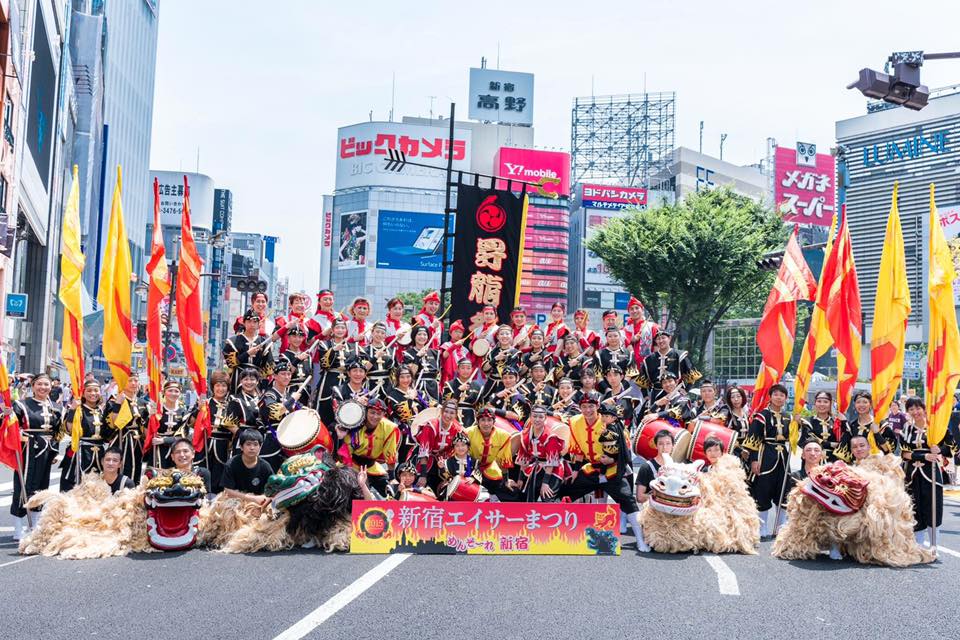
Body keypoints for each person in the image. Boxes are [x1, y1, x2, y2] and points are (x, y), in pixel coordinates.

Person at [563, 393, 648, 552]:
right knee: (565, 490)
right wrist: (575, 471)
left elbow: (624, 449)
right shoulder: (574, 422)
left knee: (628, 500)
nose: (588, 410)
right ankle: (561, 534)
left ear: (597, 408)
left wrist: (613, 460)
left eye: (591, 407)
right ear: (580, 408)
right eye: (584, 407)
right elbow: (578, 450)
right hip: (591, 469)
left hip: (612, 470)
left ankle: (640, 540)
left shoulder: (611, 423)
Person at [8, 373, 64, 539]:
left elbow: (58, 432)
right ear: (32, 386)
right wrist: (6, 414)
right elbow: (9, 426)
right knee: (23, 485)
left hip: (47, 450)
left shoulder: (57, 407)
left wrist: (55, 451)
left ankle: (35, 524)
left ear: (51, 387)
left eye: (46, 385)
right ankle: (18, 527)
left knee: (42, 485)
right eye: (39, 384)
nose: (43, 388)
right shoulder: (21, 404)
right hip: (27, 450)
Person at [899, 396, 957, 547]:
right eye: (911, 409)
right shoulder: (907, 428)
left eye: (918, 408)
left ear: (924, 409)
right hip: (912, 474)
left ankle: (933, 544)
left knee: (933, 507)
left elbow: (952, 448)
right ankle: (918, 544)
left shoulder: (936, 427)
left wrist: (940, 449)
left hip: (932, 473)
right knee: (915, 506)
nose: (915, 412)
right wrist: (924, 455)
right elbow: (904, 453)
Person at [744, 383, 790, 538]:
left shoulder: (788, 417)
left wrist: (798, 424)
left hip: (783, 456)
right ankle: (762, 527)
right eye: (776, 394)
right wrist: (754, 460)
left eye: (782, 395)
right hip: (765, 454)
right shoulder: (762, 416)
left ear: (786, 398)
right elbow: (753, 439)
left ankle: (780, 527)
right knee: (762, 489)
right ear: (770, 397)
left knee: (784, 490)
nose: (779, 397)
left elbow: (794, 437)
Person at [338, 398, 399, 497]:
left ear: (384, 414)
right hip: (352, 465)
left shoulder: (390, 428)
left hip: (372, 467)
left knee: (392, 493)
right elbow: (346, 452)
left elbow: (390, 453)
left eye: (379, 414)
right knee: (350, 492)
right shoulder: (354, 425)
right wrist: (349, 474)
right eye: (372, 412)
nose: (375, 416)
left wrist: (392, 478)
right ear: (366, 412)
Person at [59, 379, 107, 492]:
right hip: (80, 452)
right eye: (89, 390)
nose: (93, 393)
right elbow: (69, 429)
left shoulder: (101, 410)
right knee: (76, 483)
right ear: (83, 393)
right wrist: (73, 410)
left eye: (96, 390)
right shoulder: (78, 409)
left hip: (99, 452)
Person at [515, 405, 567, 501]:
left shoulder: (550, 437)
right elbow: (524, 457)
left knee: (547, 497)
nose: (537, 420)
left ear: (545, 418)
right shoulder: (525, 434)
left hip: (553, 469)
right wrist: (520, 479)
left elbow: (551, 462)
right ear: (530, 417)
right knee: (527, 497)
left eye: (540, 417)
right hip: (536, 467)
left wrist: (545, 483)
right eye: (534, 416)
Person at [464, 406, 516, 502]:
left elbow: (503, 461)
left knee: (512, 493)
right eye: (483, 420)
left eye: (489, 420)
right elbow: (462, 456)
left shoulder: (503, 435)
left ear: (494, 421)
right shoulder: (467, 433)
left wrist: (506, 480)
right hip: (470, 470)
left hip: (491, 469)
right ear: (478, 421)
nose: (486, 423)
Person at [104, 376, 149, 484]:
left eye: (136, 380)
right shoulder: (114, 400)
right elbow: (113, 424)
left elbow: (144, 426)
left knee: (137, 468)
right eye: (130, 380)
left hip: (137, 442)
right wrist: (118, 404)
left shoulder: (142, 402)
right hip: (121, 439)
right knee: (121, 468)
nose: (133, 383)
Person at [258, 359, 300, 472]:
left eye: (289, 374)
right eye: (283, 374)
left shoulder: (288, 395)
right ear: (275, 376)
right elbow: (275, 412)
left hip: (288, 440)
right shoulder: (269, 395)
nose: (286, 377)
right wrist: (292, 400)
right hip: (272, 440)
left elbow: (300, 411)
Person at [414, 399, 463, 492]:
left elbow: (456, 450)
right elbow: (424, 450)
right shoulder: (431, 426)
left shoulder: (457, 429)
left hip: (441, 460)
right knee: (421, 485)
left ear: (456, 415)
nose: (448, 415)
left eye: (452, 413)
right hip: (422, 459)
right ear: (441, 411)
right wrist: (423, 476)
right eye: (446, 411)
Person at [223, 308, 274, 393]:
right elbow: (230, 363)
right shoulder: (233, 341)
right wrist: (247, 354)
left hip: (256, 378)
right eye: (249, 321)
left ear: (259, 324)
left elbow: (269, 367)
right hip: (238, 376)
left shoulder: (263, 342)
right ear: (244, 323)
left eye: (255, 322)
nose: (252, 324)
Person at [204, 370, 238, 493]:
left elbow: (236, 428)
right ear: (212, 387)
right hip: (205, 442)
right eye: (217, 385)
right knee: (204, 472)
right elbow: (192, 423)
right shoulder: (205, 403)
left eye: (224, 385)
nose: (220, 389)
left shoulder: (232, 405)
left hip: (224, 445)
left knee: (220, 473)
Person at [637, 330, 701, 394]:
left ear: (669, 338)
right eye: (658, 339)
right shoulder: (649, 359)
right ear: (656, 341)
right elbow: (642, 382)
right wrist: (645, 396)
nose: (661, 341)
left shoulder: (679, 355)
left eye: (663, 338)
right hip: (656, 393)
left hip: (676, 392)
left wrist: (686, 390)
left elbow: (692, 376)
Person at [221, 430, 273, 504]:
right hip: (234, 502)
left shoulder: (265, 466)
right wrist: (252, 498)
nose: (252, 448)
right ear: (241, 447)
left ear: (260, 447)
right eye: (248, 444)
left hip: (259, 503)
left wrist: (263, 500)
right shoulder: (231, 464)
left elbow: (272, 489)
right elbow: (227, 491)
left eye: (255, 444)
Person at [150, 380, 193, 469]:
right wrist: (150, 417)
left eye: (176, 391)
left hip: (177, 450)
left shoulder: (183, 412)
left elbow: (184, 435)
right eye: (170, 390)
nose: (173, 393)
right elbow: (147, 432)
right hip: (157, 450)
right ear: (164, 392)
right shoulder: (157, 411)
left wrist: (165, 440)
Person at [799, 391, 849, 463]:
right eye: (819, 401)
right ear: (815, 403)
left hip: (833, 461)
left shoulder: (837, 422)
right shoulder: (807, 421)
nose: (822, 404)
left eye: (825, 402)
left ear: (830, 404)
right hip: (812, 460)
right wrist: (831, 444)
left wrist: (844, 421)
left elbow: (847, 437)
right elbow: (808, 439)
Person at [848, 390, 895, 455]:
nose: (861, 405)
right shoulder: (852, 425)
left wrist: (877, 433)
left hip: (877, 462)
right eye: (858, 402)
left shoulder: (881, 425)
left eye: (865, 402)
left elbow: (888, 450)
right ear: (855, 405)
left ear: (871, 405)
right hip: (857, 463)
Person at [635, 428, 674, 504]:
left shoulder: (677, 467)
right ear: (656, 446)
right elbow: (639, 497)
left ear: (673, 446)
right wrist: (661, 498)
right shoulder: (646, 467)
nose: (664, 447)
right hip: (652, 512)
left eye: (668, 443)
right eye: (661, 444)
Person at [403, 325, 440, 402]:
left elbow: (438, 373)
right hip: (417, 386)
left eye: (425, 334)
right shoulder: (408, 353)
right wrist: (417, 357)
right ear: (414, 336)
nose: (422, 337)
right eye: (419, 334)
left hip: (433, 387)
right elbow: (411, 373)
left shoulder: (435, 353)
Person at [442, 358, 481, 428]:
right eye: (462, 368)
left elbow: (480, 407)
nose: (465, 371)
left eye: (468, 368)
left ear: (472, 369)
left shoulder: (477, 386)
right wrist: (459, 390)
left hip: (471, 419)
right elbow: (445, 404)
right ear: (457, 369)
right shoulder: (449, 384)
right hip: (453, 417)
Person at [362, 322, 397, 397]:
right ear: (372, 333)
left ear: (385, 335)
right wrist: (375, 357)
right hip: (370, 386)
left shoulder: (391, 350)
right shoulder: (364, 350)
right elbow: (364, 370)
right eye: (377, 332)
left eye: (382, 333)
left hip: (388, 387)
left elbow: (396, 371)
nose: (379, 335)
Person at [439, 320, 469, 387]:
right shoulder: (446, 345)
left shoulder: (465, 350)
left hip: (462, 377)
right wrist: (454, 346)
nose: (458, 334)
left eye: (460, 332)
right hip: (449, 376)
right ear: (450, 333)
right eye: (456, 331)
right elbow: (444, 356)